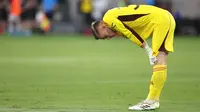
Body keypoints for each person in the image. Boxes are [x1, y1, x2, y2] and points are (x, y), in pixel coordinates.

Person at [91, 4, 175, 111]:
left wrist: (148, 51)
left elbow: (130, 34)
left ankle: (152, 101)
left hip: (161, 20)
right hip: (163, 18)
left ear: (103, 26)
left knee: (159, 59)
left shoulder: (108, 19)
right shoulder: (114, 24)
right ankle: (153, 100)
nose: (108, 38)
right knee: (160, 58)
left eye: (105, 36)